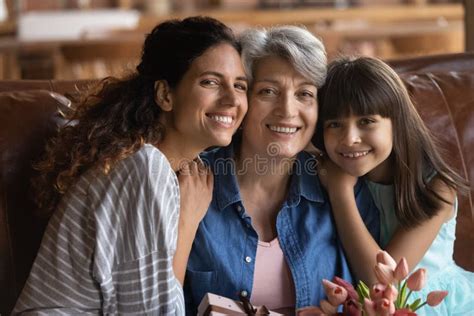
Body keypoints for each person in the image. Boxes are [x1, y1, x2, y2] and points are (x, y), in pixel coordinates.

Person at [13, 16, 248, 315]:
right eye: (211, 82)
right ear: (165, 95)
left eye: (239, 85)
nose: (231, 99)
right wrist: (186, 225)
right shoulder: (143, 168)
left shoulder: (172, 168)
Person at [183, 26, 380, 315]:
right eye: (268, 91)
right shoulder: (190, 182)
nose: (287, 110)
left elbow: (381, 295)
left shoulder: (344, 185)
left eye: (304, 94)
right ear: (242, 98)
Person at [314, 56, 473, 315]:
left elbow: (381, 282)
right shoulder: (326, 172)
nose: (350, 138)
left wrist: (340, 192)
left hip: (430, 304)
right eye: (335, 124)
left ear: (397, 122)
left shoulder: (436, 188)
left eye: (366, 121)